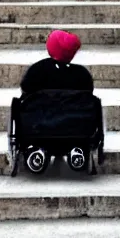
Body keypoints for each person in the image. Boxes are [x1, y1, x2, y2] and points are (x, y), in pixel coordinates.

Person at [20, 30, 94, 172]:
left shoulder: (36, 71)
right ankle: (76, 149)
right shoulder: (82, 74)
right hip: (75, 130)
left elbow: (25, 89)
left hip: (39, 128)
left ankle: (37, 150)